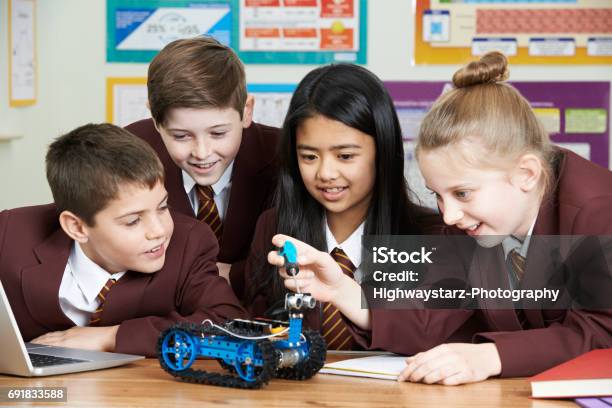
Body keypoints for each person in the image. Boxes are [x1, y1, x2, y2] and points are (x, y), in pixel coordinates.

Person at [402, 51, 612, 384]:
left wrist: (492, 356)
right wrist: (345, 293)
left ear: (526, 174)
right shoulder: (477, 219)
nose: (450, 215)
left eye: (462, 193)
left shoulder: (599, 210)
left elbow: (603, 332)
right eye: (437, 195)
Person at [0, 124, 245, 357]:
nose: (158, 231)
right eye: (132, 221)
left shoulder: (190, 242)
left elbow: (228, 323)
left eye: (162, 207)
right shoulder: (9, 235)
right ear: (76, 226)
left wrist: (111, 337)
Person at [243, 63, 442, 351]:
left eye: (345, 156)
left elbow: (438, 336)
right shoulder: (273, 229)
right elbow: (259, 331)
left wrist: (349, 296)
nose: (325, 173)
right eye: (309, 157)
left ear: (382, 152)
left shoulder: (432, 236)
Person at [126, 36, 279, 299]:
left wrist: (235, 274)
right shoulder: (130, 152)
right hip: (162, 314)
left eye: (218, 133)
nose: (202, 153)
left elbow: (304, 248)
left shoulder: (287, 156)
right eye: (181, 136)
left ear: (246, 111)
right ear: (156, 120)